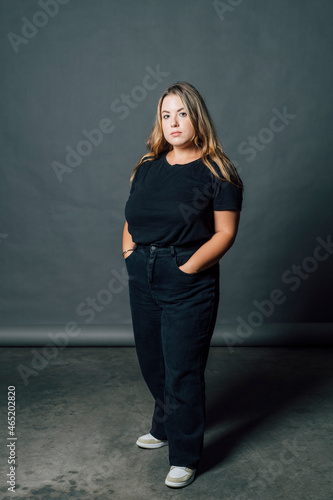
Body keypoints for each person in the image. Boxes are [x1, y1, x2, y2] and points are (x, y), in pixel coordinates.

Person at [122, 81, 243, 488]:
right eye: (165, 114)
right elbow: (130, 217)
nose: (173, 122)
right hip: (142, 272)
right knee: (152, 363)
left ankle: (186, 454)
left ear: (197, 117)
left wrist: (188, 269)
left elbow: (224, 233)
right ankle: (164, 424)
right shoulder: (147, 166)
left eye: (182, 113)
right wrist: (129, 254)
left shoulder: (218, 171)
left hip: (187, 280)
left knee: (182, 371)